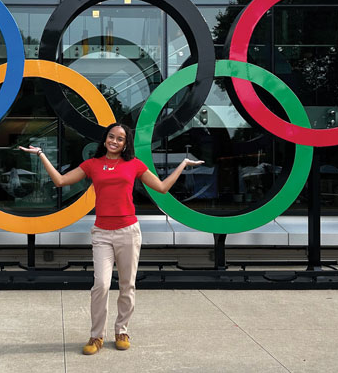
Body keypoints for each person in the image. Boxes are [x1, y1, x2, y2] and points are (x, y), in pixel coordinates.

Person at [19, 123, 203, 355]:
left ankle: (122, 330)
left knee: (127, 286)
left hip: (128, 232)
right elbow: (61, 181)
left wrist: (183, 164)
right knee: (101, 285)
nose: (114, 141)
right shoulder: (93, 165)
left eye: (120, 139)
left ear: (126, 144)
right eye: (111, 137)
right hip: (102, 233)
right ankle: (96, 336)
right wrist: (41, 155)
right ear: (105, 139)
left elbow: (162, 187)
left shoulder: (134, 164)